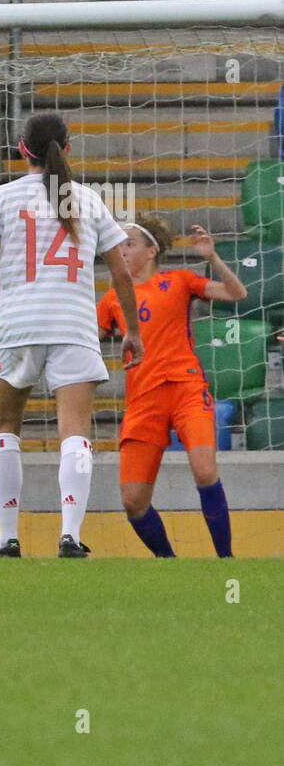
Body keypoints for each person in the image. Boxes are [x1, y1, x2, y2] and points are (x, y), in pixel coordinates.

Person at [0, 111, 144, 558]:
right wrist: (131, 330)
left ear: (22, 149)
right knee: (74, 431)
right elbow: (121, 274)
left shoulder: (0, 197)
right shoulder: (88, 201)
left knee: (5, 427)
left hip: (17, 327)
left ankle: (8, 537)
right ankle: (70, 536)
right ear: (66, 149)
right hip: (73, 326)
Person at [97, 217, 245, 557]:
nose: (122, 250)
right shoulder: (111, 299)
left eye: (129, 243)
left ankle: (227, 560)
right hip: (142, 399)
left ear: (151, 250)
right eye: (119, 245)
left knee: (205, 469)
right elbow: (91, 339)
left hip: (186, 387)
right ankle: (169, 564)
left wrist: (212, 258)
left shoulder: (179, 281)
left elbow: (237, 293)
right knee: (132, 501)